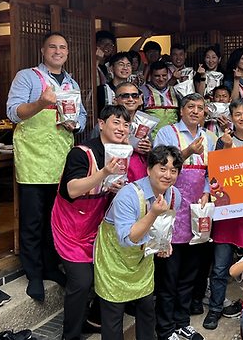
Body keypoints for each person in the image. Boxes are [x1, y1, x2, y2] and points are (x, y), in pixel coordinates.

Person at [6, 32, 86, 301]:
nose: (57, 51)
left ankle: (52, 266)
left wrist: (76, 124)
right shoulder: (27, 77)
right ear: (43, 51)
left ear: (67, 53)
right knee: (32, 219)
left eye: (62, 47)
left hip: (61, 158)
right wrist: (41, 103)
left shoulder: (71, 82)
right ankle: (34, 274)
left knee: (55, 218)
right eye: (52, 46)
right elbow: (13, 112)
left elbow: (82, 116)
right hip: (33, 157)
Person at [51, 105, 130, 340]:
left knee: (109, 274)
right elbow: (72, 189)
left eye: (126, 124)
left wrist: (116, 189)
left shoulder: (122, 152)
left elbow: (108, 191)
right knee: (82, 282)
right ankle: (71, 335)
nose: (122, 128)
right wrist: (104, 173)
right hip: (70, 227)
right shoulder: (81, 152)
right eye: (116, 122)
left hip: (96, 225)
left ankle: (91, 320)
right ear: (101, 123)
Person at [93, 145, 184, 340]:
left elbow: (165, 227)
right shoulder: (129, 194)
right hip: (115, 257)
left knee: (146, 309)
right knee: (114, 314)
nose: (168, 175)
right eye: (162, 168)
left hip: (143, 258)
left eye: (173, 170)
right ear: (149, 169)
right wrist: (153, 213)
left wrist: (164, 244)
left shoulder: (174, 195)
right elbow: (127, 239)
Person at [153, 93, 215, 340]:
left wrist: (208, 193)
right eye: (191, 107)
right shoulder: (167, 133)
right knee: (169, 276)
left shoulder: (210, 137)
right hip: (171, 210)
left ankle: (182, 322)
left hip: (197, 212)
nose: (196, 111)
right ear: (181, 110)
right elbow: (161, 169)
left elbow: (212, 172)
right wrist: (189, 150)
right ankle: (165, 329)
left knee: (190, 273)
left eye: (200, 108)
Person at [203, 98, 243, 330]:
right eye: (237, 114)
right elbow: (213, 176)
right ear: (230, 118)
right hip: (229, 213)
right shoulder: (223, 141)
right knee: (220, 268)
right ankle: (215, 309)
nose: (242, 118)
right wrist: (224, 150)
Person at [91, 82, 153, 183]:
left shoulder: (144, 125)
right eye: (125, 96)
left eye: (135, 96)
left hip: (139, 179)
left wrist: (148, 150)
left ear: (140, 99)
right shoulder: (104, 125)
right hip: (111, 180)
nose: (131, 99)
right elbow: (92, 155)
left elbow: (152, 157)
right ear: (115, 101)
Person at [141, 61, 180, 138]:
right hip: (151, 143)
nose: (161, 79)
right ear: (151, 76)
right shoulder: (143, 91)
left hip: (173, 140)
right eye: (157, 76)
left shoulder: (176, 91)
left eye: (164, 75)